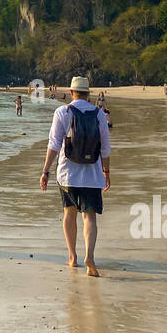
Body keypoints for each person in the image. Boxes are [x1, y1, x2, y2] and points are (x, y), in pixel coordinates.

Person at [39, 76, 111, 277]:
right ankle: (90, 256)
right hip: (92, 175)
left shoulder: (63, 111)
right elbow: (105, 147)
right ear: (88, 93)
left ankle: (73, 257)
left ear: (71, 92)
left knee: (69, 213)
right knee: (90, 217)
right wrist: (106, 172)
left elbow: (53, 144)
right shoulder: (99, 114)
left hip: (67, 174)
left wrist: (45, 171)